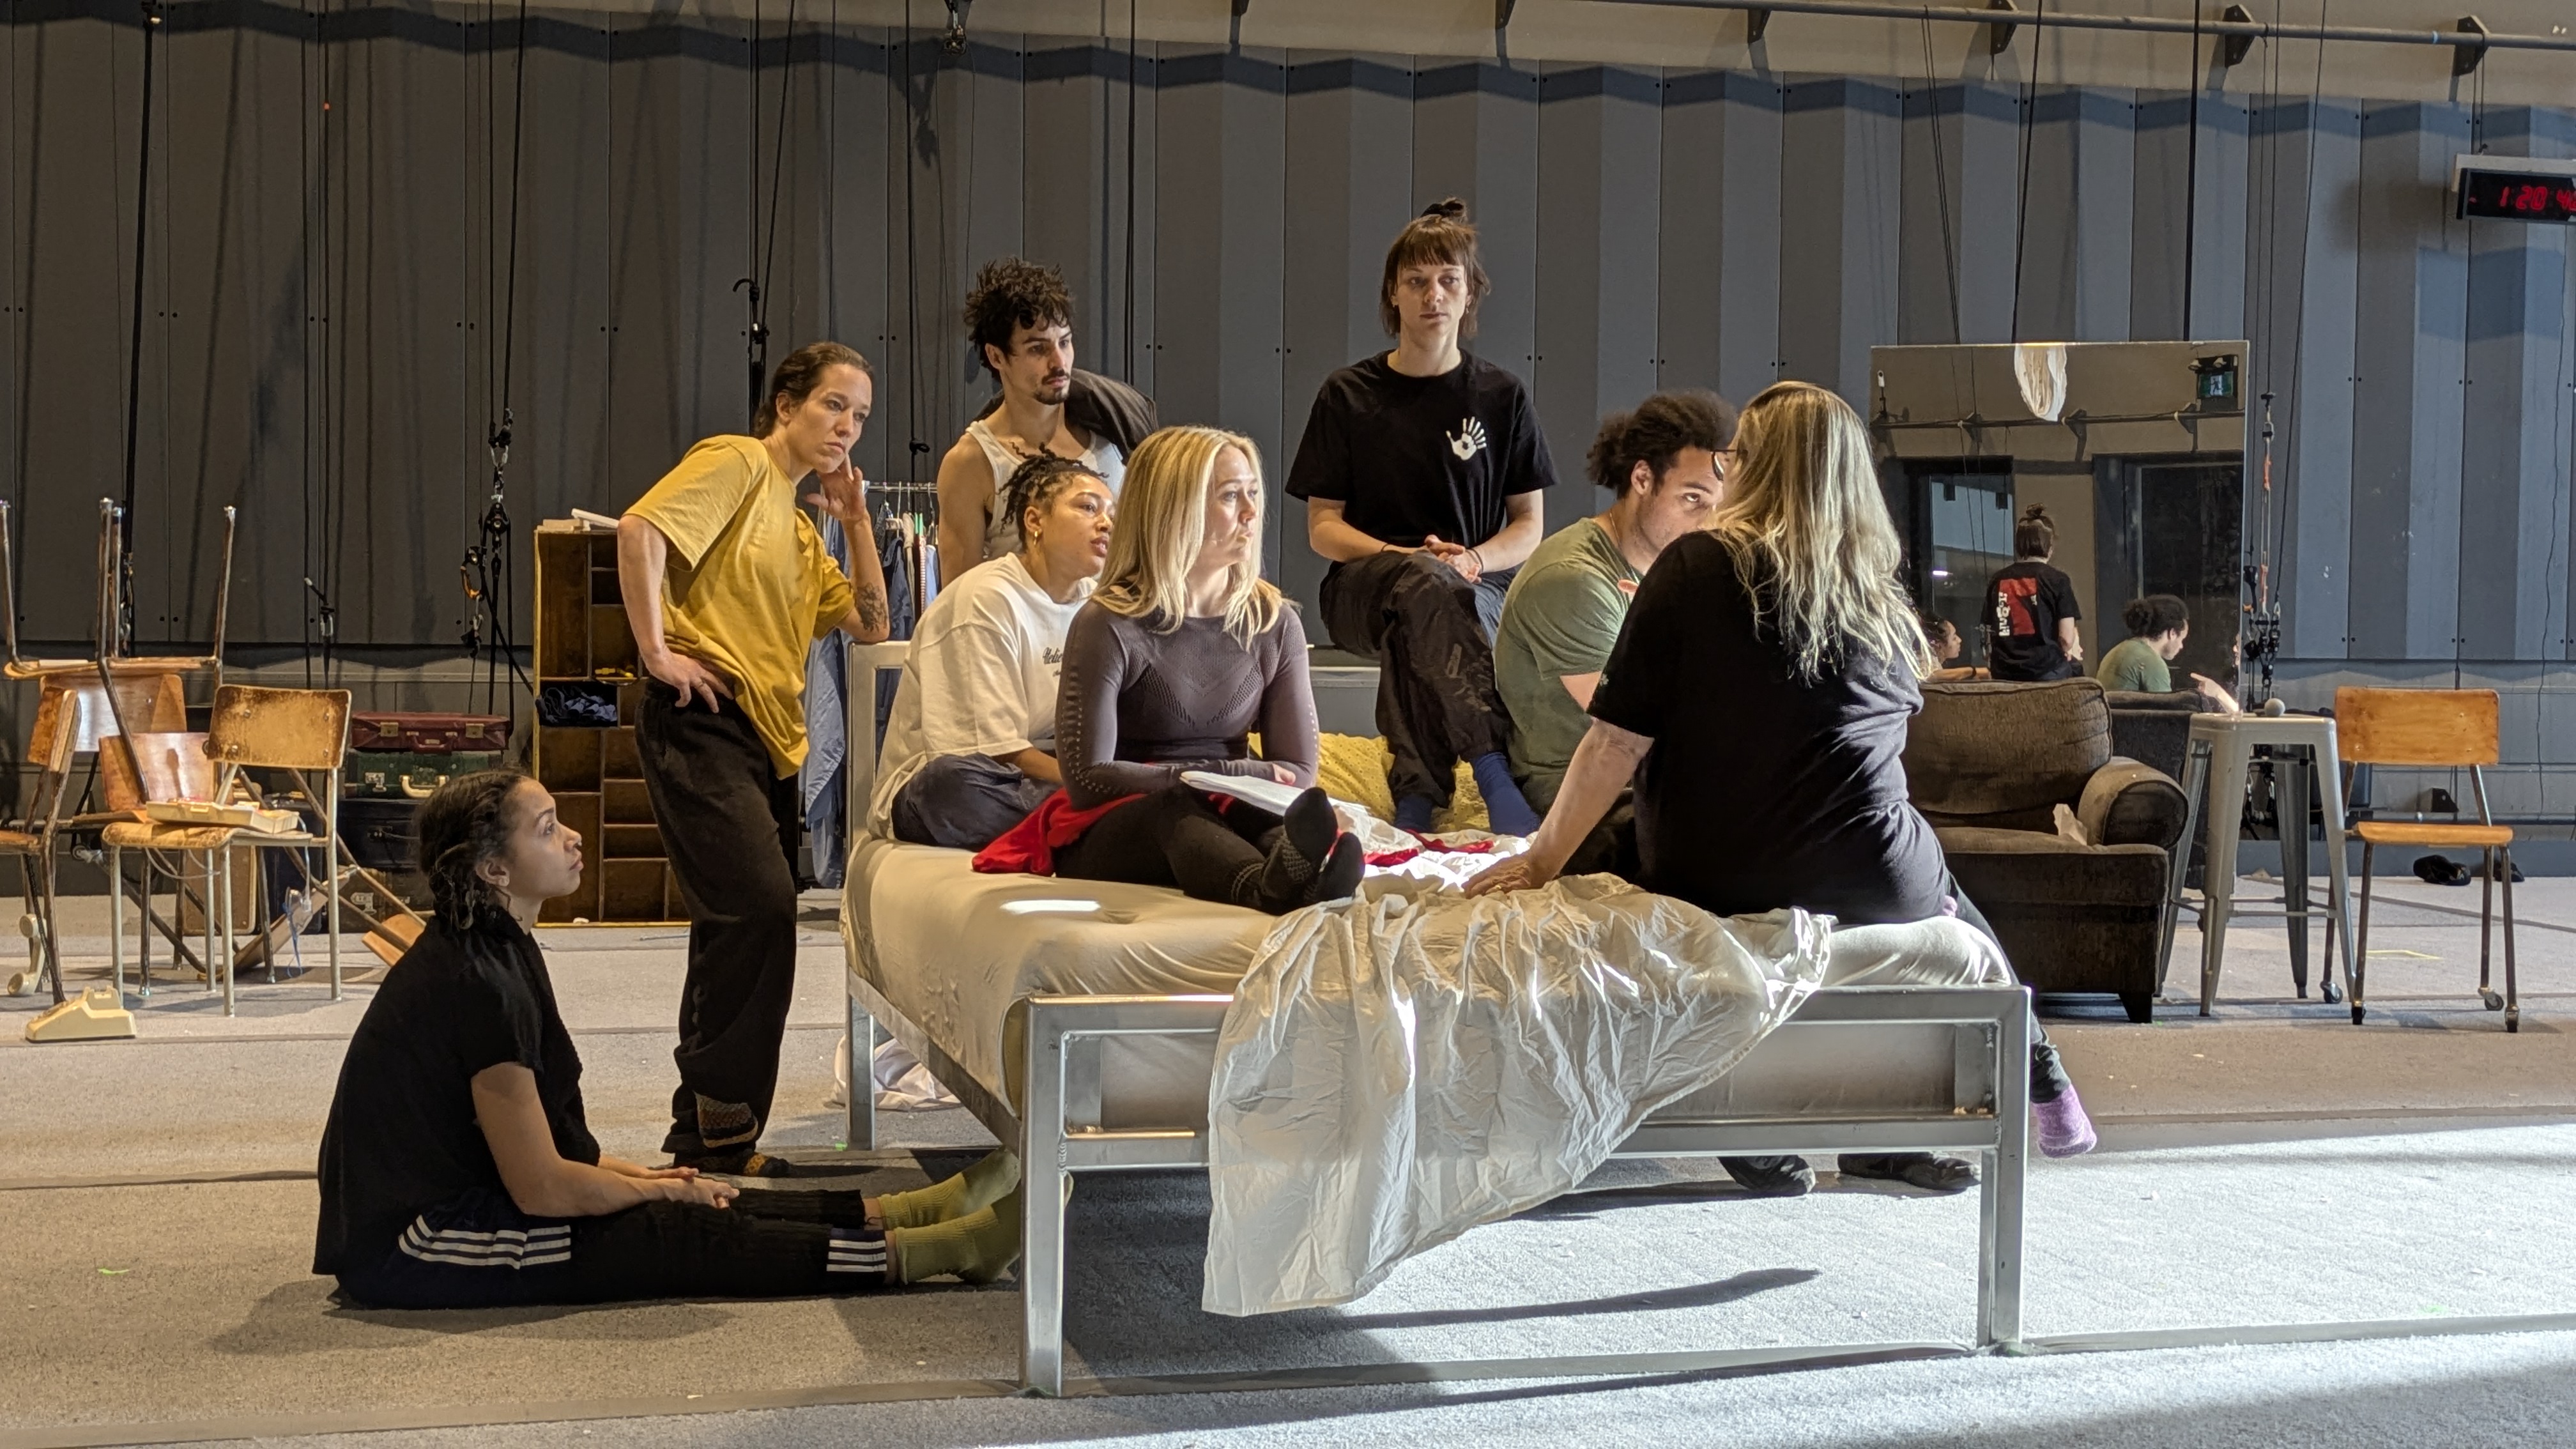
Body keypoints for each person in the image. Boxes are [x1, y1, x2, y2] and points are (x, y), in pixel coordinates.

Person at [1466, 381, 2096, 1197]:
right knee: (1929, 868)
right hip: (1874, 875)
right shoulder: (1877, 594)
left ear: (1753, 468)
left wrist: (1540, 861)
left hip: (1715, 869)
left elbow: (1615, 742)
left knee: (1632, 840)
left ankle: (1754, 1123)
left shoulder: (1695, 565)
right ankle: (2029, 1079)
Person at [314, 770, 1025, 1309]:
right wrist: (644, 1195)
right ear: (493, 870)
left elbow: (553, 1156)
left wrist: (652, 1181)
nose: (573, 838)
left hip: (482, 1197)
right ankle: (938, 1251)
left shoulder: (500, 946)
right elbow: (542, 1186)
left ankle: (906, 1212)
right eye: (547, 829)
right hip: (420, 1243)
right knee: (672, 1232)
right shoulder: (476, 981)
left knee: (694, 1190)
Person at [617, 341, 893, 1177]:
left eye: (860, 416)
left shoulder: (804, 530)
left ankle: (709, 1139)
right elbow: (640, 531)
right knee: (760, 912)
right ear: (786, 406)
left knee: (737, 927)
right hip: (704, 717)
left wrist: (854, 520)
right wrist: (655, 650)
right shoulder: (738, 462)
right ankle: (722, 1129)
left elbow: (872, 624)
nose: (847, 427)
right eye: (834, 405)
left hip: (769, 744)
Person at [989, 425, 1361, 916]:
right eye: (1230, 496)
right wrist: (1220, 776)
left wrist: (1227, 783)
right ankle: (1260, 889)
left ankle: (1308, 878)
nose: (1251, 513)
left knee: (1266, 817)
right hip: (1120, 823)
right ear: (1174, 509)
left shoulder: (1274, 623)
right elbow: (1087, 780)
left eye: (1253, 494)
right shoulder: (1108, 622)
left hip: (1229, 806)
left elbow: (1298, 772)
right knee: (1178, 808)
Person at [1285, 199, 1551, 839]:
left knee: (1424, 607)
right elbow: (1323, 528)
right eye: (1417, 281)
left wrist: (1472, 560)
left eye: (1448, 281)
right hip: (1363, 587)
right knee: (1420, 586)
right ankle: (1491, 766)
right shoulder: (1348, 394)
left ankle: (1417, 794)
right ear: (1393, 294)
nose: (1433, 295)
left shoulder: (1503, 395)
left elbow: (1529, 525)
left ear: (1469, 293)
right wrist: (1406, 558)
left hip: (1478, 588)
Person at [1493, 390, 1733, 873]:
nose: (1708, 524)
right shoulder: (1573, 578)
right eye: (1692, 499)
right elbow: (1629, 733)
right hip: (1581, 794)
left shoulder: (1675, 569)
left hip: (1649, 779)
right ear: (1642, 478)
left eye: (1717, 507)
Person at [871, 456, 1116, 850]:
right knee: (951, 786)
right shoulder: (984, 601)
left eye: (1112, 514)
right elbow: (997, 754)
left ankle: (1085, 819)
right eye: (1088, 507)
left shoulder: (1099, 605)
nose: (1105, 523)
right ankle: (1096, 819)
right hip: (965, 779)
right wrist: (1098, 787)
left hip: (1050, 774)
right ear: (1035, 521)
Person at [935, 257, 1136, 577]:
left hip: (1112, 610)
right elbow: (960, 596)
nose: (1059, 362)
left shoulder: (1113, 432)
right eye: (1038, 349)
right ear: (996, 356)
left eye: (1065, 342)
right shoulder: (973, 462)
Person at [1982, 505, 2083, 682]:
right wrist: (2066, 651)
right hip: (2045, 671)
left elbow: (1988, 632)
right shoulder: (2058, 580)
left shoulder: (1997, 580)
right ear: (2049, 547)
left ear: (2019, 546)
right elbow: (2067, 639)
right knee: (2077, 669)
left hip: (2004, 673)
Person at [2096, 594, 2237, 712]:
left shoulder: (2118, 651)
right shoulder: (2152, 662)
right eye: (2182, 639)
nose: (2181, 646)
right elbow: (2167, 716)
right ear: (2172, 633)